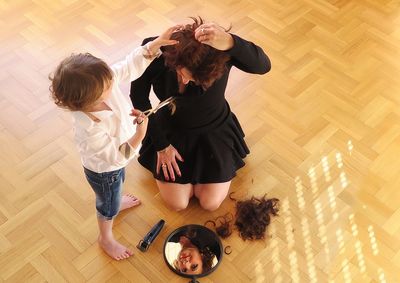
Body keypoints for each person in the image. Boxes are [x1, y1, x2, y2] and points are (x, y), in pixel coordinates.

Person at [49, 25, 180, 260]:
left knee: (118, 184)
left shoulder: (102, 83)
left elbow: (127, 66)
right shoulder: (87, 127)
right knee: (107, 203)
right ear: (92, 99)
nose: (114, 79)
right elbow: (114, 156)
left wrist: (154, 45)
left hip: (119, 161)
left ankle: (116, 199)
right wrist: (139, 135)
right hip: (104, 170)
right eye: (109, 83)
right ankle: (106, 237)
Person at [130, 17, 271, 211]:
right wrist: (162, 145)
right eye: (185, 74)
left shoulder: (221, 51)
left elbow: (263, 66)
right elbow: (138, 97)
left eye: (195, 80)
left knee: (210, 203)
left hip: (214, 131)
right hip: (170, 132)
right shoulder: (156, 49)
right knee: (177, 203)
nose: (187, 82)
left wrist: (231, 41)